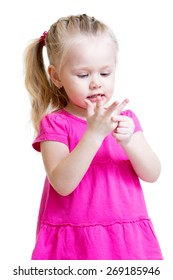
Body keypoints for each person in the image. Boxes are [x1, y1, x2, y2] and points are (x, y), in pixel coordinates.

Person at [24, 14, 163, 260]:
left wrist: (130, 142)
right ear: (56, 77)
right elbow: (62, 183)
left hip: (126, 242)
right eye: (83, 75)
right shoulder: (56, 124)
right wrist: (93, 135)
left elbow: (152, 173)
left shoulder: (125, 118)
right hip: (75, 245)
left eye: (105, 73)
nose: (96, 83)